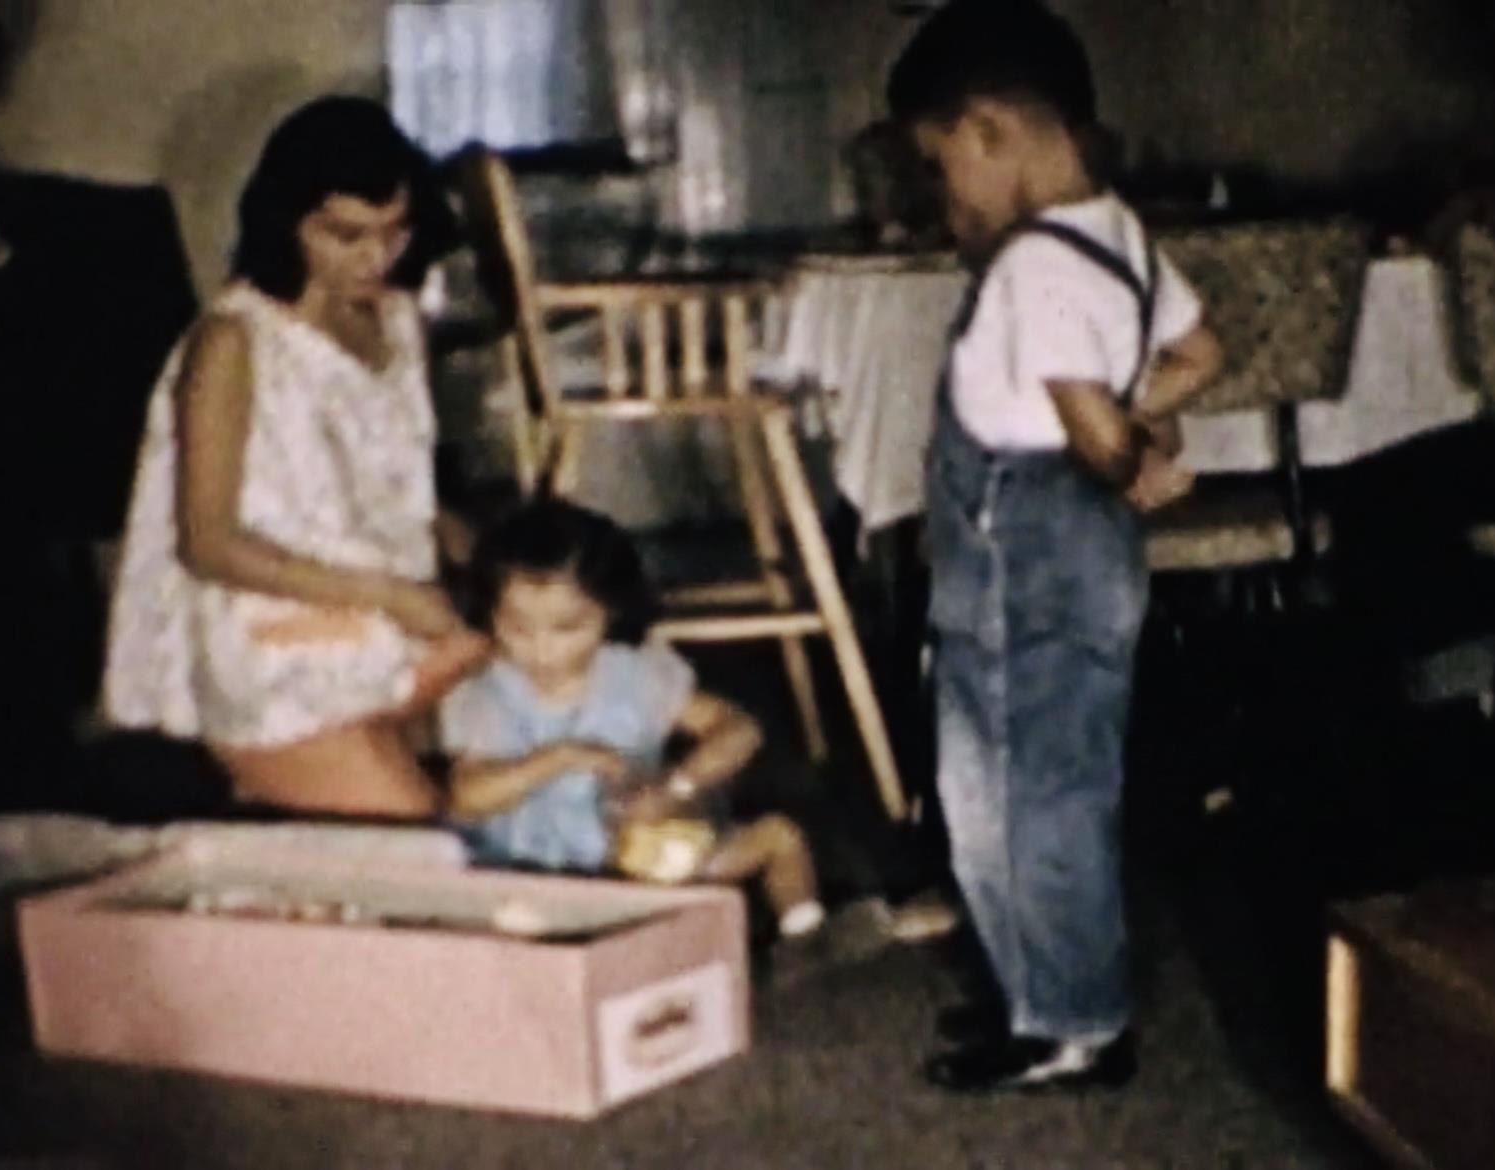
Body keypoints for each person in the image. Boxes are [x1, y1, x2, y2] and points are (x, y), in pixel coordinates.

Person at [886, 1, 1223, 1090]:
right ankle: (1049, 999)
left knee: (1010, 797)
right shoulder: (1117, 233)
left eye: (942, 168)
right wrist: (1139, 418)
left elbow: (1081, 429)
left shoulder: (1031, 265)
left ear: (988, 131)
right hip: (1080, 564)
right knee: (1055, 780)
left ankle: (1072, 1022)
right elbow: (1202, 351)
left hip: (1020, 566)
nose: (948, 199)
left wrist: (1129, 457)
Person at [103, 96, 488, 819]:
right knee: (418, 838)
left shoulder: (394, 318)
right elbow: (208, 543)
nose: (376, 257)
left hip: (389, 631)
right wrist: (389, 594)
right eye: (345, 235)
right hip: (278, 650)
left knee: (548, 697)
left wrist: (465, 540)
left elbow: (375, 477)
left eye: (394, 231)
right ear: (288, 222)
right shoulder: (236, 342)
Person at [438, 498, 827, 943]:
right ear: (491, 615)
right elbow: (468, 795)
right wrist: (560, 757)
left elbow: (739, 730)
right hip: (525, 871)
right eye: (519, 628)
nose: (542, 649)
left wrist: (677, 785)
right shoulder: (492, 691)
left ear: (610, 612)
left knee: (780, 836)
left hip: (638, 863)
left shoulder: (633, 675)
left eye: (568, 629)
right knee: (503, 917)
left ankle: (807, 944)